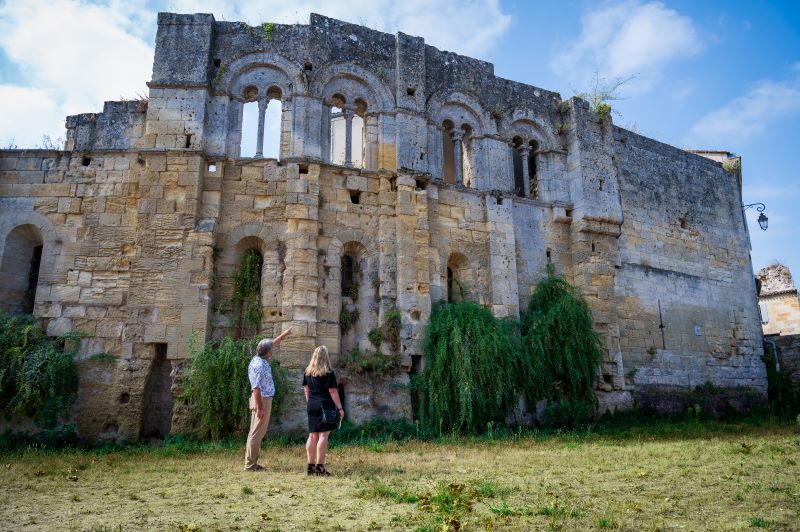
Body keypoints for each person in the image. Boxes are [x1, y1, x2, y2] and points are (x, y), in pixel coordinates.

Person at [244, 326, 292, 471]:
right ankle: (250, 465)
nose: (273, 350)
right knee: (256, 433)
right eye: (271, 349)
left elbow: (272, 344)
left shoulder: (257, 358)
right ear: (267, 352)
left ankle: (251, 463)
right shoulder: (260, 365)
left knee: (255, 432)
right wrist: (260, 408)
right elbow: (256, 388)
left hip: (261, 399)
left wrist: (285, 334)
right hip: (262, 400)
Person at [303, 345, 344, 476]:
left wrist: (310, 403)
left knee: (312, 435)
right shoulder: (328, 373)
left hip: (311, 404)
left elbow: (306, 390)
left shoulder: (307, 372)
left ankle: (310, 467)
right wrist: (340, 408)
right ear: (326, 357)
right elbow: (333, 392)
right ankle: (320, 468)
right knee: (323, 435)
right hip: (325, 405)